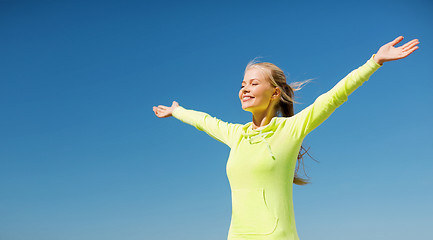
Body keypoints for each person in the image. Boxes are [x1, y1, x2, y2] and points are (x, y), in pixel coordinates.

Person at [152, 36, 419, 240]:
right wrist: (178, 111)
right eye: (243, 85)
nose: (244, 89)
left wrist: (374, 62)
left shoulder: (289, 130)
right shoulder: (237, 135)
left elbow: (335, 96)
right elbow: (205, 122)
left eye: (254, 84)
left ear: (275, 93)